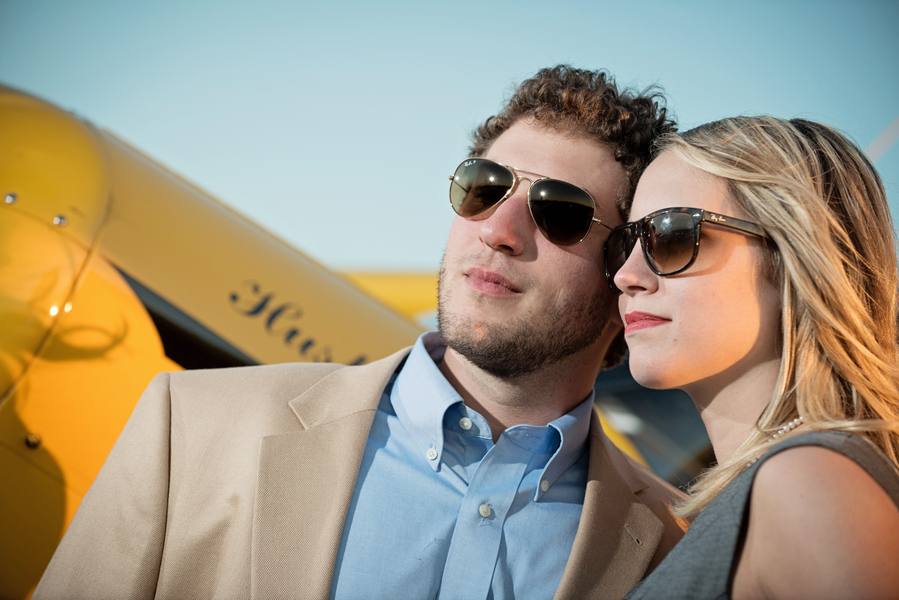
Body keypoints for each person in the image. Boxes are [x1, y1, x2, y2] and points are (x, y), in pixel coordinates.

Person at [35, 65, 687, 600]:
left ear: (626, 272)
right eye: (482, 188)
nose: (496, 228)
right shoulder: (188, 427)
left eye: (559, 211)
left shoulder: (676, 546)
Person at [606, 115, 899, 599]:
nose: (627, 275)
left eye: (673, 234)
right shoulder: (771, 486)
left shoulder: (809, 483)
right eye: (626, 243)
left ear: (794, 259)